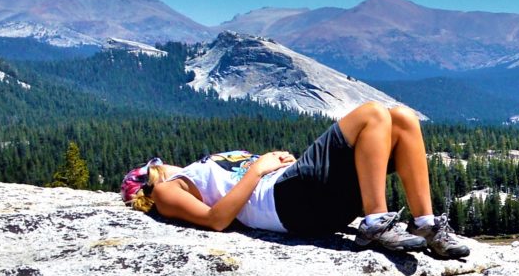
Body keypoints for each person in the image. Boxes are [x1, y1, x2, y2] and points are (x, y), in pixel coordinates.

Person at [122, 100, 471, 259]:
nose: (163, 163)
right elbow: (216, 221)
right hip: (286, 204)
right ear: (150, 175)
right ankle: (377, 223)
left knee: (404, 119)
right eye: (156, 164)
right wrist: (258, 170)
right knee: (373, 114)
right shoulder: (166, 189)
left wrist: (267, 163)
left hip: (301, 197)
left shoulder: (192, 177)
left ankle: (426, 225)